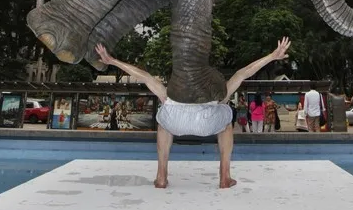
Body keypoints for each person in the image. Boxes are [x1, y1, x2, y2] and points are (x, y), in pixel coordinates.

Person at [96, 37, 290, 189]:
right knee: (226, 123)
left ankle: (161, 177)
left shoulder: (172, 93)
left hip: (175, 119)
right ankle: (225, 177)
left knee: (164, 120)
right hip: (208, 121)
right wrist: (272, 56)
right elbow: (243, 73)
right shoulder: (217, 91)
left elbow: (143, 76)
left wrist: (112, 60)